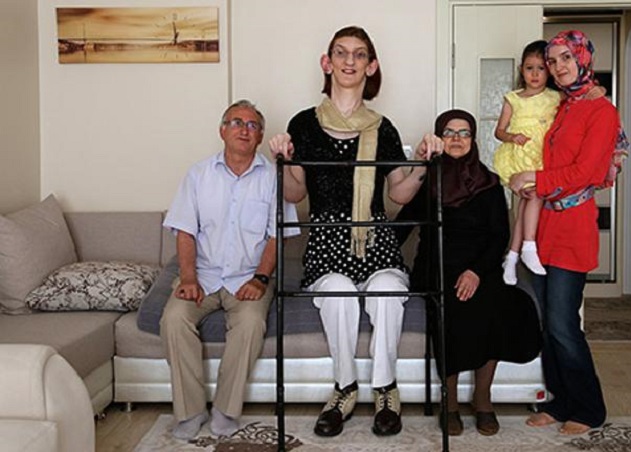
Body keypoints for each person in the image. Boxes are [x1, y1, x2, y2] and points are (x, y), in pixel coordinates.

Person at [269, 26, 432, 437]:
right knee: (339, 292)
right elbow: (296, 192)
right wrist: (283, 162)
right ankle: (344, 388)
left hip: (376, 240)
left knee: (389, 290)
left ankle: (386, 389)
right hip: (326, 242)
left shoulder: (383, 127)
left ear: (370, 66)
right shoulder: (303, 124)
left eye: (359, 54)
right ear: (327, 63)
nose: (349, 61)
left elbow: (398, 192)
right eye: (341, 53)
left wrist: (423, 165)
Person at [396, 109, 542, 436]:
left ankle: (482, 398)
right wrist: (375, 254)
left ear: (473, 139)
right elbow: (401, 227)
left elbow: (499, 236)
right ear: (439, 138)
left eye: (464, 133)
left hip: (480, 264)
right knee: (453, 304)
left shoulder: (489, 183)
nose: (457, 139)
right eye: (449, 132)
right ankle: (449, 403)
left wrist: (476, 271)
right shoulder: (428, 180)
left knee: (498, 301)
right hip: (437, 265)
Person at [160, 100, 299, 440]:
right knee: (173, 319)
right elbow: (185, 231)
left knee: (250, 323)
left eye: (252, 125)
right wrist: (188, 278)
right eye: (236, 122)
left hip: (249, 277)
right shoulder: (198, 175)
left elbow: (276, 236)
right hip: (202, 275)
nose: (244, 130)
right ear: (222, 130)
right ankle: (190, 411)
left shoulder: (275, 177)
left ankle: (225, 409)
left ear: (260, 136)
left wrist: (260, 279)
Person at [509, 30, 623, 435]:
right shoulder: (563, 106)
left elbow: (588, 172)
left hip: (574, 228)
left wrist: (534, 179)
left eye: (565, 58)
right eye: (552, 60)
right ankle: (559, 403)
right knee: (547, 323)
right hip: (543, 227)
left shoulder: (601, 111)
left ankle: (588, 409)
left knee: (562, 324)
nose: (557, 67)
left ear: (583, 59)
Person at [493, 40, 561, 285]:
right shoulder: (513, 98)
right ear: (521, 70)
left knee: (526, 204)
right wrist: (512, 137)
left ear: (549, 71)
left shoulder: (555, 97)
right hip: (523, 156)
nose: (535, 74)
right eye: (530, 68)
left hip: (543, 155)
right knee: (533, 196)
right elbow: (499, 131)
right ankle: (528, 246)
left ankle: (512, 257)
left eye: (541, 68)